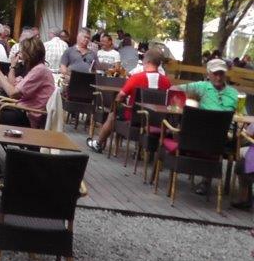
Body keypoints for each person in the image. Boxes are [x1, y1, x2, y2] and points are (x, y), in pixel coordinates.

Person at [86, 47, 171, 153]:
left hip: (134, 116)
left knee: (113, 114)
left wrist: (116, 106)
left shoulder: (136, 78)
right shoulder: (166, 82)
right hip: (156, 120)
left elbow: (121, 96)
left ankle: (98, 144)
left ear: (147, 61)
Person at [177, 59, 239, 195]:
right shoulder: (201, 87)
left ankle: (206, 179)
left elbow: (242, 115)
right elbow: (174, 90)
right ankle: (205, 178)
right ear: (208, 74)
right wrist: (185, 103)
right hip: (203, 133)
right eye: (215, 74)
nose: (218, 77)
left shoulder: (234, 94)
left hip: (225, 134)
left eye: (221, 73)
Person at [0, 36, 55, 128]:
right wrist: (13, 66)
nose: (19, 55)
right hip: (24, 110)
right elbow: (13, 88)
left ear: (28, 54)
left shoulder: (39, 70)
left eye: (21, 52)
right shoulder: (38, 69)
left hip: (29, 117)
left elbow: (12, 93)